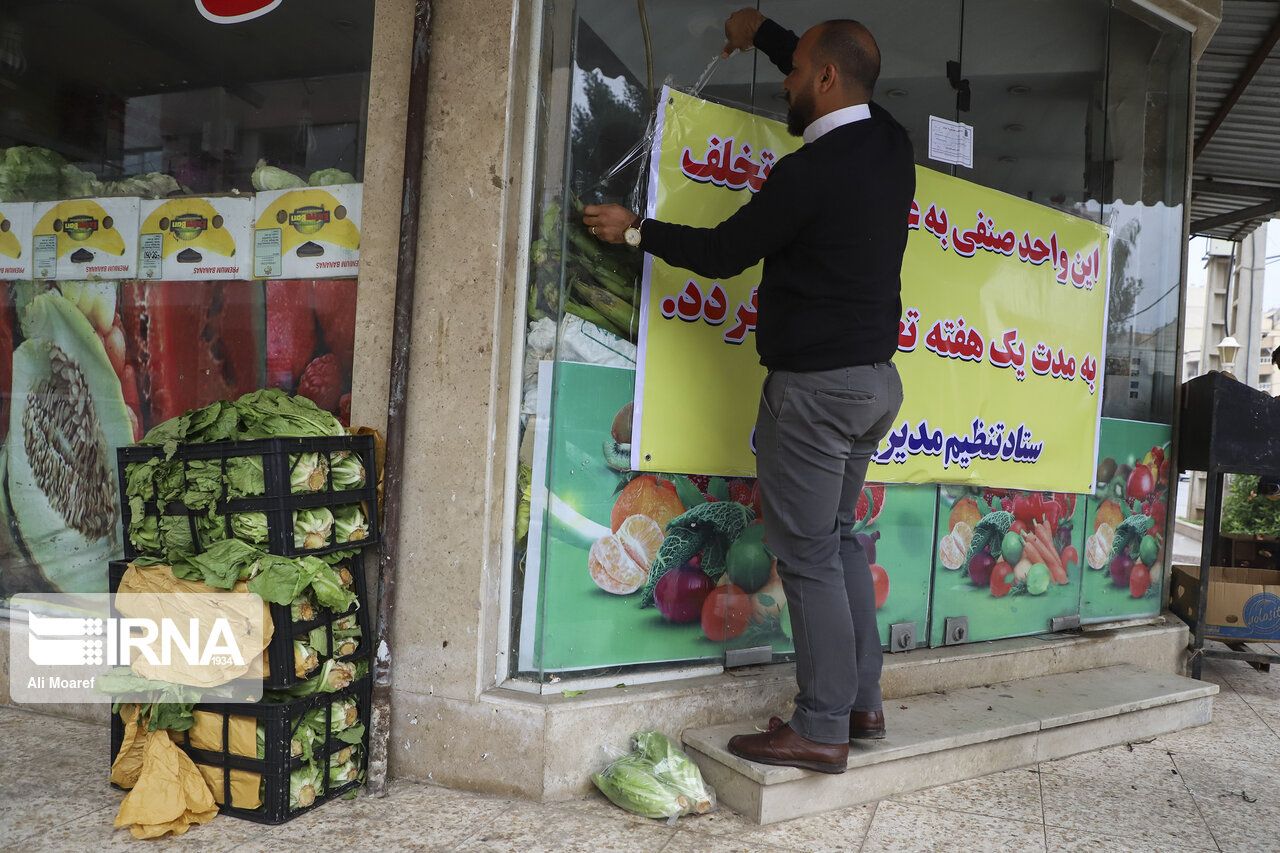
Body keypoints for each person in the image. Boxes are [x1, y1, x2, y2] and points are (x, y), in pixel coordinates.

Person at [584, 9, 914, 775]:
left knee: (806, 557)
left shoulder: (808, 173)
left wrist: (637, 231)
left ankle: (822, 723)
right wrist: (764, 32)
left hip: (816, 394)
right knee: (836, 542)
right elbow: (838, 69)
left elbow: (727, 252)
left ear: (827, 79)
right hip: (874, 387)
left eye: (796, 70)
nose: (788, 81)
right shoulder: (891, 145)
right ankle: (862, 702)